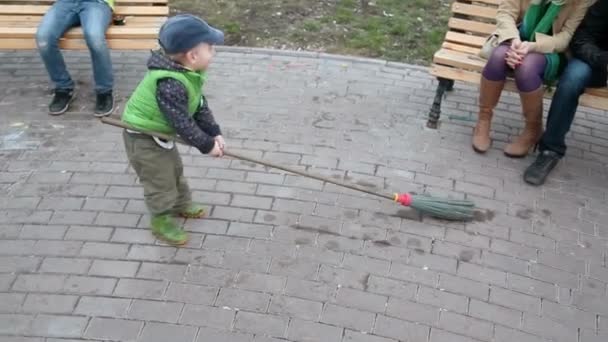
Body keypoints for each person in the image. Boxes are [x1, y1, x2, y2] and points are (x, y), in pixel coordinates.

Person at [121, 14, 226, 245]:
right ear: (193, 55)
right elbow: (182, 123)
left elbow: (198, 106)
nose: (214, 52)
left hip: (159, 134)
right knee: (160, 180)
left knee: (174, 170)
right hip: (143, 138)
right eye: (210, 47)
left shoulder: (189, 73)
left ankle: (180, 204)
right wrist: (208, 146)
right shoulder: (170, 83)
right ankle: (160, 220)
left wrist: (214, 133)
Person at [472, 0, 592, 157]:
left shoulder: (581, 2)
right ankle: (483, 120)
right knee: (498, 57)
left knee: (526, 68)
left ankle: (532, 129)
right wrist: (515, 41)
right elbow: (506, 13)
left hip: (553, 50)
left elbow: (565, 37)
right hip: (517, 37)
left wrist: (531, 47)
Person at [524, 0, 608, 185]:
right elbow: (582, 38)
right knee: (571, 80)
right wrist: (603, 60)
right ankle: (550, 150)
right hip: (597, 61)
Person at [36, 0, 115, 116]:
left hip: (96, 3)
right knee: (44, 38)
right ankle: (63, 88)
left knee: (95, 38)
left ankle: (104, 91)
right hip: (65, 2)